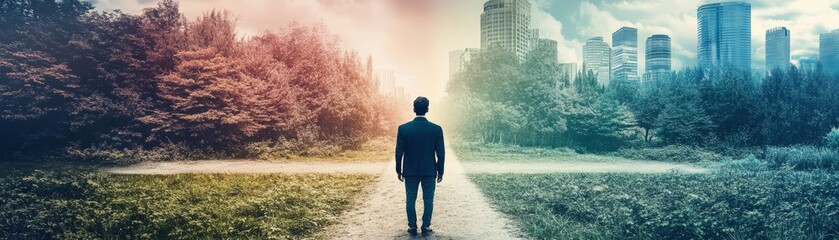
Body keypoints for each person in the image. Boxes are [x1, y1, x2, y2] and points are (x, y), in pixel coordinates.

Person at [395, 96, 445, 236]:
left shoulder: (403, 128)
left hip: (410, 171)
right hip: (429, 170)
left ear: (414, 109)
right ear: (427, 109)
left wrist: (399, 169)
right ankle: (426, 225)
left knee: (410, 198)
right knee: (428, 198)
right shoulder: (436, 129)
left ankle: (412, 226)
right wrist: (440, 170)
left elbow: (399, 152)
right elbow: (441, 153)